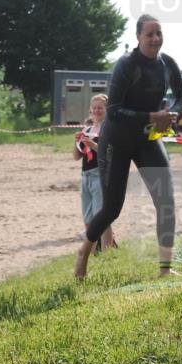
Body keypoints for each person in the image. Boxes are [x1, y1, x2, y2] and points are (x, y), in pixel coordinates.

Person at [75, 15, 182, 279]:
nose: (155, 39)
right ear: (138, 37)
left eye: (159, 33)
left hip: (147, 139)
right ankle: (84, 252)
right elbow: (112, 111)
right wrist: (152, 116)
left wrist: (171, 113)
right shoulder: (126, 65)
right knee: (112, 208)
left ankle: (165, 269)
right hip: (117, 141)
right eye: (150, 34)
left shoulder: (168, 64)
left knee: (166, 201)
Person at [74, 94, 116, 251]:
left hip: (100, 175)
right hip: (85, 176)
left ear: (106, 109)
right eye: (95, 108)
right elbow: (76, 157)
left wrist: (92, 144)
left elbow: (110, 154)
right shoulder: (87, 129)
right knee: (87, 218)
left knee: (102, 216)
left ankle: (107, 251)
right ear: (90, 110)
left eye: (100, 108)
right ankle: (92, 252)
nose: (97, 111)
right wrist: (76, 142)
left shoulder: (109, 129)